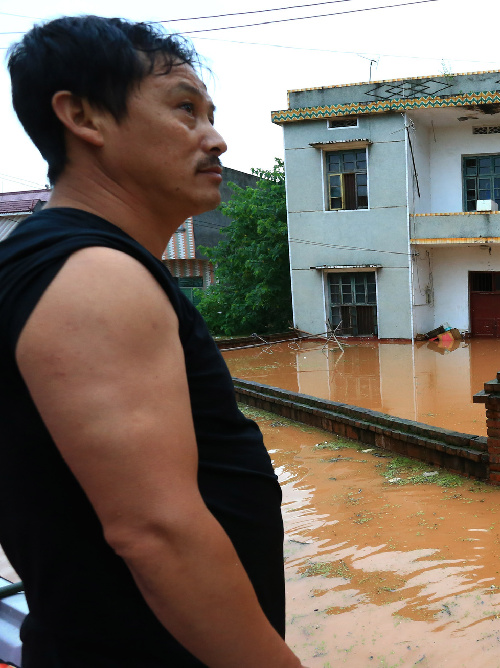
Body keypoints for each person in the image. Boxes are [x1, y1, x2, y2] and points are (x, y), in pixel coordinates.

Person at [0, 16, 302, 667]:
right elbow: (156, 531)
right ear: (83, 115)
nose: (216, 139)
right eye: (184, 110)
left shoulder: (47, 263)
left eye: (210, 114)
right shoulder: (96, 275)